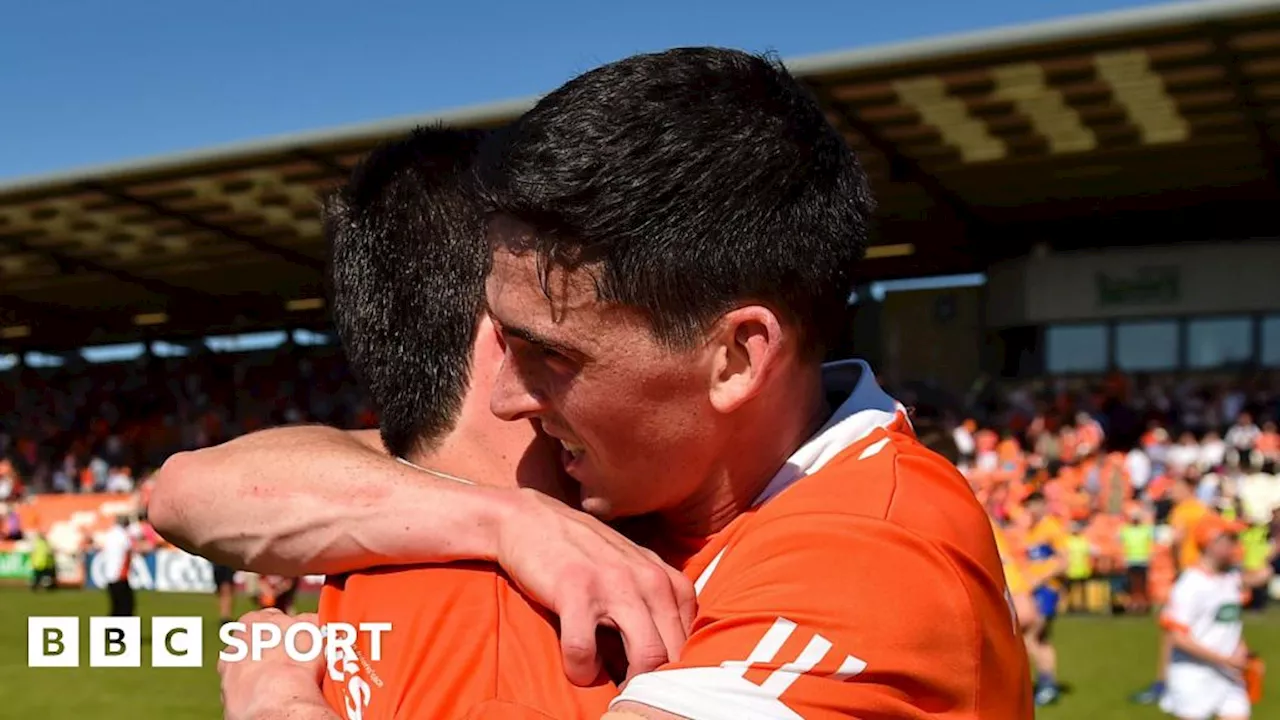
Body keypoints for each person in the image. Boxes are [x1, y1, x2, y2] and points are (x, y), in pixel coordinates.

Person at [160, 48, 1031, 720]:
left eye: (551, 354)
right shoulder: (644, 474)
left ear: (735, 357)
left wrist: (277, 701)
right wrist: (505, 520)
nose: (506, 400)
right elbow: (190, 491)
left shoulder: (872, 561)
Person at [1159, 515, 1260, 720]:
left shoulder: (1231, 578)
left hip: (1229, 675)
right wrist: (1224, 659)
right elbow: (1178, 637)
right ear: (1211, 543)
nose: (1236, 545)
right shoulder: (1190, 584)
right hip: (1193, 675)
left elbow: (1227, 623)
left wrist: (1243, 651)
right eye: (1230, 539)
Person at [1022, 491, 1068, 705]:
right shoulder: (1033, 529)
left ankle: (1043, 684)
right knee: (1041, 639)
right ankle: (1047, 684)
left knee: (1029, 637)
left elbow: (1064, 562)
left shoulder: (1051, 528)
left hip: (1047, 589)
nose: (1031, 509)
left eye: (1034, 504)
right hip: (1037, 589)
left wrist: (1040, 579)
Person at [99, 514, 136, 617]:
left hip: (110, 574)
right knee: (125, 607)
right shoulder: (123, 535)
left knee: (116, 606)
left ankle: (111, 630)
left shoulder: (110, 534)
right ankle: (120, 631)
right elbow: (128, 553)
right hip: (120, 575)